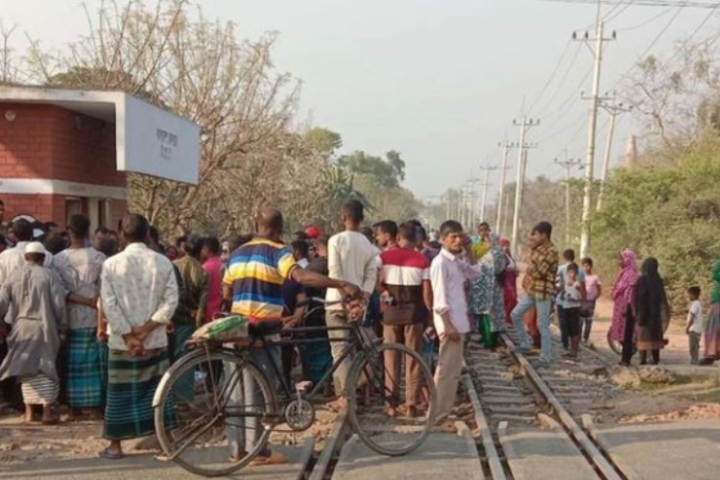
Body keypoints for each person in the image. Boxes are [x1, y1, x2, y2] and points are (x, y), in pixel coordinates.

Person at [222, 207, 361, 465]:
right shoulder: (278, 252)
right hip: (264, 327)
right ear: (280, 228)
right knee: (261, 390)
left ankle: (236, 450)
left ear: (255, 224)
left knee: (238, 392)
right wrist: (340, 284)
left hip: (236, 326)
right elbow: (302, 277)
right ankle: (258, 451)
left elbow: (226, 289)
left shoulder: (237, 253)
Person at [99, 214, 179, 460]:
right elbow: (171, 301)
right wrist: (145, 331)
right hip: (154, 339)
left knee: (119, 393)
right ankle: (168, 441)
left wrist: (129, 335)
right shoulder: (163, 262)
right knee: (159, 392)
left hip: (121, 343)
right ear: (147, 235)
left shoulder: (111, 264)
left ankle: (115, 445)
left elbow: (108, 304)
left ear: (122, 235)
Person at [0, 242, 67, 424]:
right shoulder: (49, 275)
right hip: (45, 327)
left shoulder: (13, 276)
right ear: (43, 258)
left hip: (21, 328)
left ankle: (29, 413)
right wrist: (63, 327)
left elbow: (2, 303)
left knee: (26, 370)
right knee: (46, 368)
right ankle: (46, 411)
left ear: (25, 257)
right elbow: (59, 304)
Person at [325, 201, 379, 409]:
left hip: (336, 303)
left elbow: (335, 274)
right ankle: (356, 390)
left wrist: (346, 300)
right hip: (358, 306)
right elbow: (371, 277)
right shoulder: (369, 246)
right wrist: (361, 300)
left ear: (343, 217)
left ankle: (345, 398)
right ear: (362, 219)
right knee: (356, 350)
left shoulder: (335, 240)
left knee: (339, 351)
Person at [54, 214, 106, 419]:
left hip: (69, 318)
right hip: (95, 316)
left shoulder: (58, 259)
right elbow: (104, 290)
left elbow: (61, 291)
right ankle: (94, 406)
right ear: (88, 231)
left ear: (69, 230)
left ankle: (74, 407)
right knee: (93, 362)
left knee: (72, 363)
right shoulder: (99, 258)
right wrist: (92, 302)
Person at [378, 223, 432, 418]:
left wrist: (387, 296)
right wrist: (431, 315)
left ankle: (391, 405)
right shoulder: (422, 260)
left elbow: (377, 283)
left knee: (391, 360)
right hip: (414, 314)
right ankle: (411, 404)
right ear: (416, 240)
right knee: (413, 360)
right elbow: (426, 293)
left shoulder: (383, 258)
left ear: (398, 239)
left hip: (391, 315)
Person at [430, 220, 481, 425]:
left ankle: (442, 413)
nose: (458, 240)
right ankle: (437, 415)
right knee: (445, 371)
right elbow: (439, 299)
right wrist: (448, 324)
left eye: (460, 236)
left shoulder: (455, 261)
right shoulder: (440, 263)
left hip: (458, 323)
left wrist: (469, 249)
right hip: (449, 324)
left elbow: (476, 273)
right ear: (443, 239)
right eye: (453, 237)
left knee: (451, 372)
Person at [510, 222, 559, 368]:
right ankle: (525, 344)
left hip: (543, 291)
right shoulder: (538, 250)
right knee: (515, 314)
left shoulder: (552, 251)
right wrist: (532, 263)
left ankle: (546, 357)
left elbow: (539, 272)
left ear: (544, 235)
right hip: (534, 290)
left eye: (536, 234)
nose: (534, 237)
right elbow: (533, 268)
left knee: (542, 324)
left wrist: (530, 267)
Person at [172, 235, 208, 403]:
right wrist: (197, 321)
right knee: (186, 360)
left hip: (172, 319)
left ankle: (171, 398)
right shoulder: (202, 272)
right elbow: (202, 303)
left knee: (173, 359)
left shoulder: (173, 266)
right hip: (189, 321)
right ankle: (184, 399)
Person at [301, 234, 334, 387]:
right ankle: (329, 383)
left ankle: (317, 382)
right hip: (332, 310)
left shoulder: (312, 267)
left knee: (314, 347)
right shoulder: (336, 265)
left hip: (313, 311)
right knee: (330, 347)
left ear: (316, 249)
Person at [469, 227, 506, 349]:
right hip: (484, 288)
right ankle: (487, 339)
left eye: (489, 239)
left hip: (492, 288)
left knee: (490, 314)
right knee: (485, 314)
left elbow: (499, 268)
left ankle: (490, 342)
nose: (487, 242)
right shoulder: (481, 249)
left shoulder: (497, 252)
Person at [634, 257, 669, 365]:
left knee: (643, 335)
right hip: (655, 314)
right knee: (655, 335)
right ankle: (655, 358)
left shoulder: (641, 280)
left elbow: (636, 297)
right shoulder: (658, 280)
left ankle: (642, 359)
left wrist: (636, 310)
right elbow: (663, 298)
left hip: (643, 313)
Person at [610, 250, 639, 367]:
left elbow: (630, 293)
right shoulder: (623, 273)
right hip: (620, 308)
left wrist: (627, 307)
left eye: (622, 259)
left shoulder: (631, 274)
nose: (620, 261)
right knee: (621, 334)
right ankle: (624, 358)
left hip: (627, 308)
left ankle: (627, 359)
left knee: (627, 334)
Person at [555, 250, 586, 351]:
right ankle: (573, 348)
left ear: (564, 257)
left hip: (562, 302)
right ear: (574, 256)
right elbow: (583, 288)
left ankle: (566, 344)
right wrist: (583, 301)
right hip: (575, 303)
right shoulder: (581, 270)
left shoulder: (560, 268)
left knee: (564, 323)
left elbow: (557, 284)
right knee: (574, 327)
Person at [562, 263, 583, 360]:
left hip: (575, 308)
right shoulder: (565, 283)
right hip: (567, 307)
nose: (572, 274)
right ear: (567, 273)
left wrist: (577, 299)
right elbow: (562, 293)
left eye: (574, 272)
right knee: (570, 331)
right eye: (570, 272)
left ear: (577, 273)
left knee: (575, 331)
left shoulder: (577, 284)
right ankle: (571, 351)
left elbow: (583, 295)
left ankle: (575, 352)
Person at [201, 236, 224, 323]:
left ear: (207, 249)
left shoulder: (204, 268)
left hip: (207, 312)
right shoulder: (224, 265)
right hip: (221, 311)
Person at [580, 257, 602, 344]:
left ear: (591, 266)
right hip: (581, 301)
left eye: (587, 266)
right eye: (584, 266)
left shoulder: (595, 277)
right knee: (580, 320)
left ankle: (586, 338)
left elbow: (599, 291)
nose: (586, 268)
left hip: (590, 302)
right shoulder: (580, 277)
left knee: (588, 320)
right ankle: (578, 337)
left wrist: (594, 298)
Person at [501, 238, 518, 326]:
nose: (507, 247)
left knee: (513, 300)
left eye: (508, 245)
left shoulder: (510, 257)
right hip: (505, 282)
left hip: (512, 281)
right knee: (511, 299)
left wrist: (515, 270)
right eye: (504, 245)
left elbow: (514, 267)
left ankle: (508, 319)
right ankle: (506, 318)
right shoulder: (500, 257)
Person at [686, 286, 703, 365]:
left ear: (694, 294)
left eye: (689, 294)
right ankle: (694, 359)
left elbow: (692, 317)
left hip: (694, 328)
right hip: (697, 328)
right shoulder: (697, 303)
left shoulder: (695, 304)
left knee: (693, 346)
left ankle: (695, 360)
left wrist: (687, 327)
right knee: (694, 345)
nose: (688, 296)